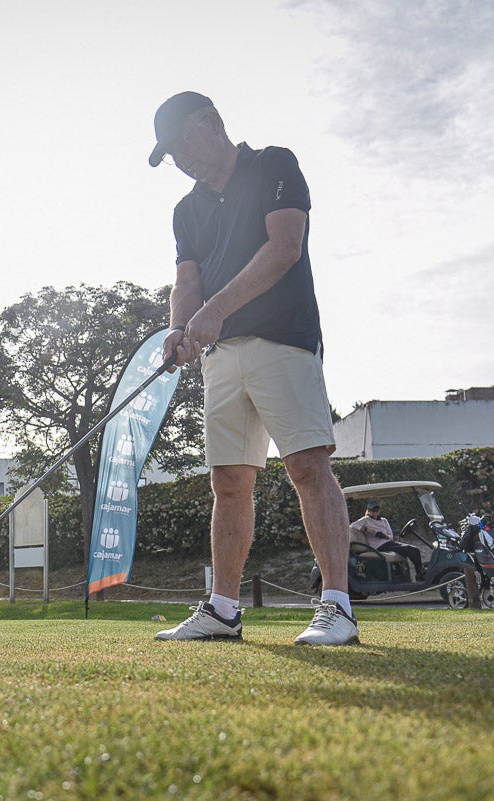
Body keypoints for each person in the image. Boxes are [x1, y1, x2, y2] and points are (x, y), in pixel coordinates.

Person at [148, 91, 358, 646]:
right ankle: (223, 610)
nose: (178, 160)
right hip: (222, 356)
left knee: (308, 467)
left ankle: (337, 606)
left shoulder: (273, 164)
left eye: (180, 144)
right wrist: (178, 328)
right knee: (229, 481)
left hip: (283, 339)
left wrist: (214, 311)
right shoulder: (186, 209)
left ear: (212, 123)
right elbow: (187, 282)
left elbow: (285, 246)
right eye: (168, 154)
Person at [351, 501, 424, 579]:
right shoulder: (365, 520)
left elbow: (390, 536)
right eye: (372, 511)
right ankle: (420, 574)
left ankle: (420, 573)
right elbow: (353, 525)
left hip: (387, 542)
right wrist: (367, 530)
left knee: (415, 549)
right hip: (378, 546)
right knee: (408, 549)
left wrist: (385, 536)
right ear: (369, 511)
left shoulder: (384, 521)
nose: (374, 513)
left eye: (376, 511)